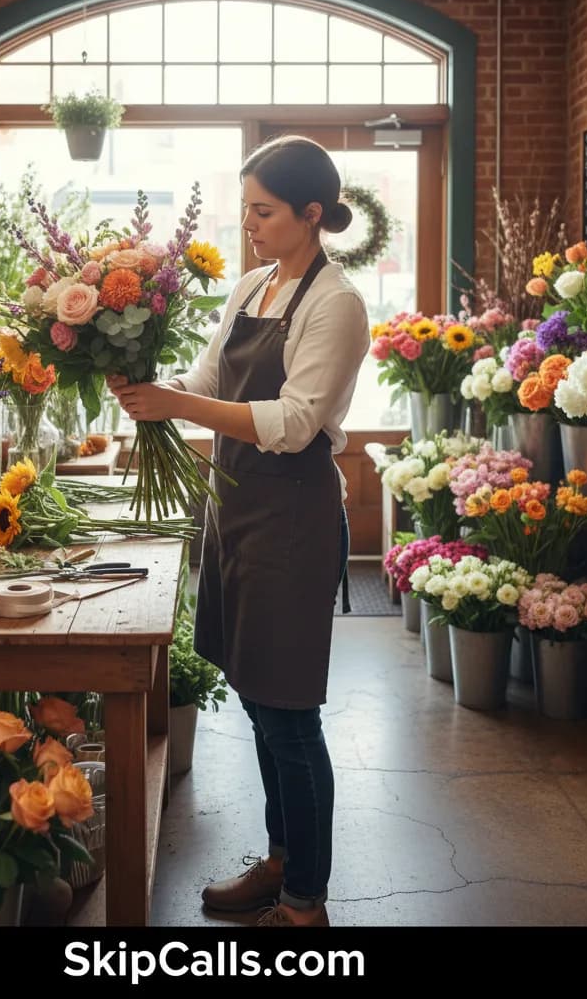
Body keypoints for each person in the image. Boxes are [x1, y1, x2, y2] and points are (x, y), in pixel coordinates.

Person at [108, 135, 370, 928]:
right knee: (259, 702)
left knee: (290, 712)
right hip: (237, 508)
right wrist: (156, 388)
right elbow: (213, 377)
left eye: (264, 211)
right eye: (247, 208)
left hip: (292, 514)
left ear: (311, 214)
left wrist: (179, 410)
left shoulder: (337, 303)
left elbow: (293, 423)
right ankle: (283, 858)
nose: (249, 224)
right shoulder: (254, 286)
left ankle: (305, 903)